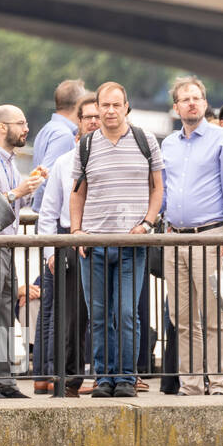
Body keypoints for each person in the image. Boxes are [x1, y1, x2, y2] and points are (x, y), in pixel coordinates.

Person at [70, 81, 164, 397]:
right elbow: (77, 193)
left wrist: (147, 223)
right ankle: (103, 377)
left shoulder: (144, 139)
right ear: (97, 108)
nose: (110, 111)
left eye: (116, 105)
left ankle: (125, 376)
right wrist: (76, 231)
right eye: (104, 105)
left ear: (126, 107)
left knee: (125, 313)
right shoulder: (85, 145)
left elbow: (158, 187)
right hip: (94, 243)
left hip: (131, 244)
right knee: (98, 316)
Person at [160, 76, 223, 396]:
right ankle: (191, 384)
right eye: (185, 99)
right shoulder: (168, 143)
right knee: (181, 319)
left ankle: (220, 383)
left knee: (213, 316)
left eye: (197, 98)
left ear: (205, 104)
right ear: (176, 106)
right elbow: (164, 190)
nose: (192, 103)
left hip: (210, 236)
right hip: (174, 237)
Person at [35, 93, 101, 397]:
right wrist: (51, 250)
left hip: (106, 237)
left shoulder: (114, 156)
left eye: (99, 116)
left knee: (107, 313)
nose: (94, 121)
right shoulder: (64, 162)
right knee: (71, 317)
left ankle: (108, 376)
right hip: (70, 241)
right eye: (88, 116)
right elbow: (47, 212)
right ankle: (68, 380)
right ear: (80, 122)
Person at [0, 104, 43, 398]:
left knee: (8, 314)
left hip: (7, 244)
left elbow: (13, 202)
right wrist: (19, 192)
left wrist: (27, 188)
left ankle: (6, 380)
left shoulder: (9, 162)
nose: (26, 128)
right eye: (20, 123)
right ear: (2, 127)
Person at [30, 78, 86, 209]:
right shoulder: (64, 135)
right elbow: (46, 179)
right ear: (78, 104)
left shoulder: (48, 128)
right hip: (55, 220)